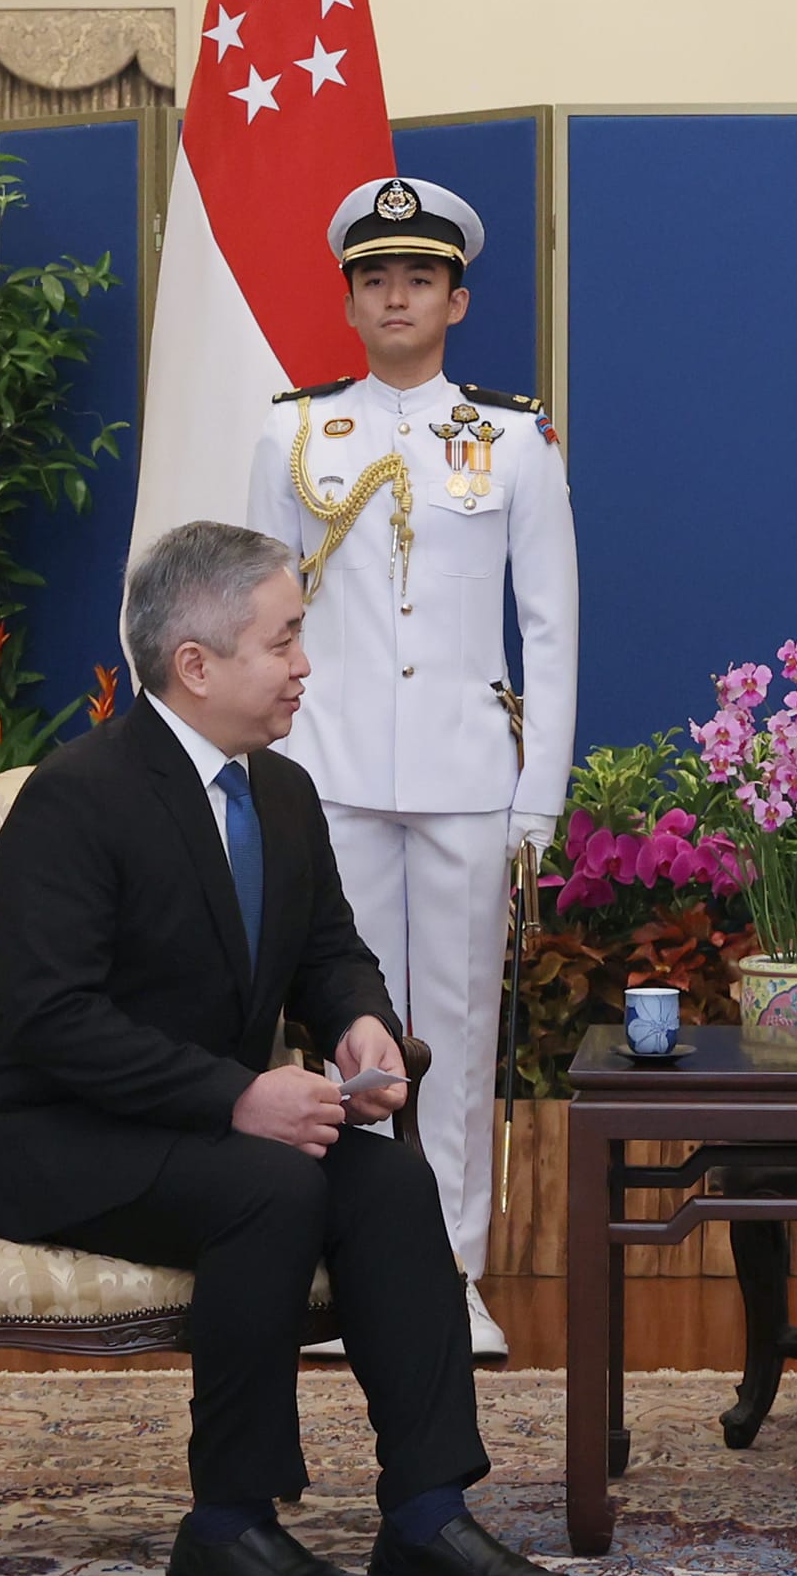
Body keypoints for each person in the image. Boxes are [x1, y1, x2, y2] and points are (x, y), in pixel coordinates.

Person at [0, 520, 578, 1576]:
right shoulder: (79, 797)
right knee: (271, 1186)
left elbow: (330, 952)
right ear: (197, 663)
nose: (305, 665)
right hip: (47, 1136)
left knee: (385, 1181)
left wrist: (364, 1027)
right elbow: (52, 1021)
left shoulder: (278, 792)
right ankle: (227, 1525)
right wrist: (236, 1095)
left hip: (189, 1134)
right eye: (284, 641)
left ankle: (427, 1515)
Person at [245, 175, 578, 1361]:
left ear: (458, 297)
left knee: (456, 1023)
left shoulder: (514, 440)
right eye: (376, 278)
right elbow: (253, 618)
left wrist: (539, 795)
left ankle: (451, 1274)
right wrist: (252, 773)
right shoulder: (292, 432)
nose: (398, 294)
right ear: (348, 300)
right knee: (343, 1029)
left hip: (462, 770)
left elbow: (550, 623)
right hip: (324, 771)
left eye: (419, 277)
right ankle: (343, 1272)